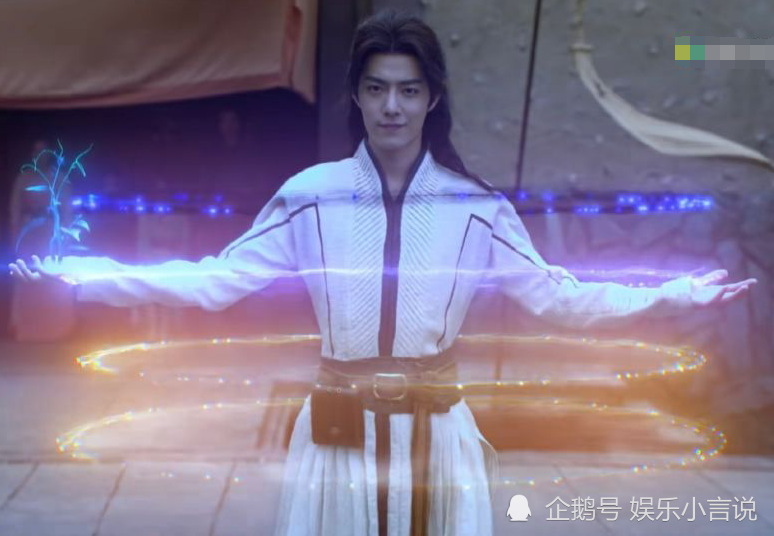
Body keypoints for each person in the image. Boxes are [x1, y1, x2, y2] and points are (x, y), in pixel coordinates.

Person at [9, 10, 756, 536]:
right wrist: (85, 274)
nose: (391, 107)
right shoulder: (310, 196)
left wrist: (674, 293)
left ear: (432, 98)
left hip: (440, 431)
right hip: (337, 432)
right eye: (376, 88)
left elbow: (558, 297)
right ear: (357, 96)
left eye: (407, 89)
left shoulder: (476, 209)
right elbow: (215, 281)